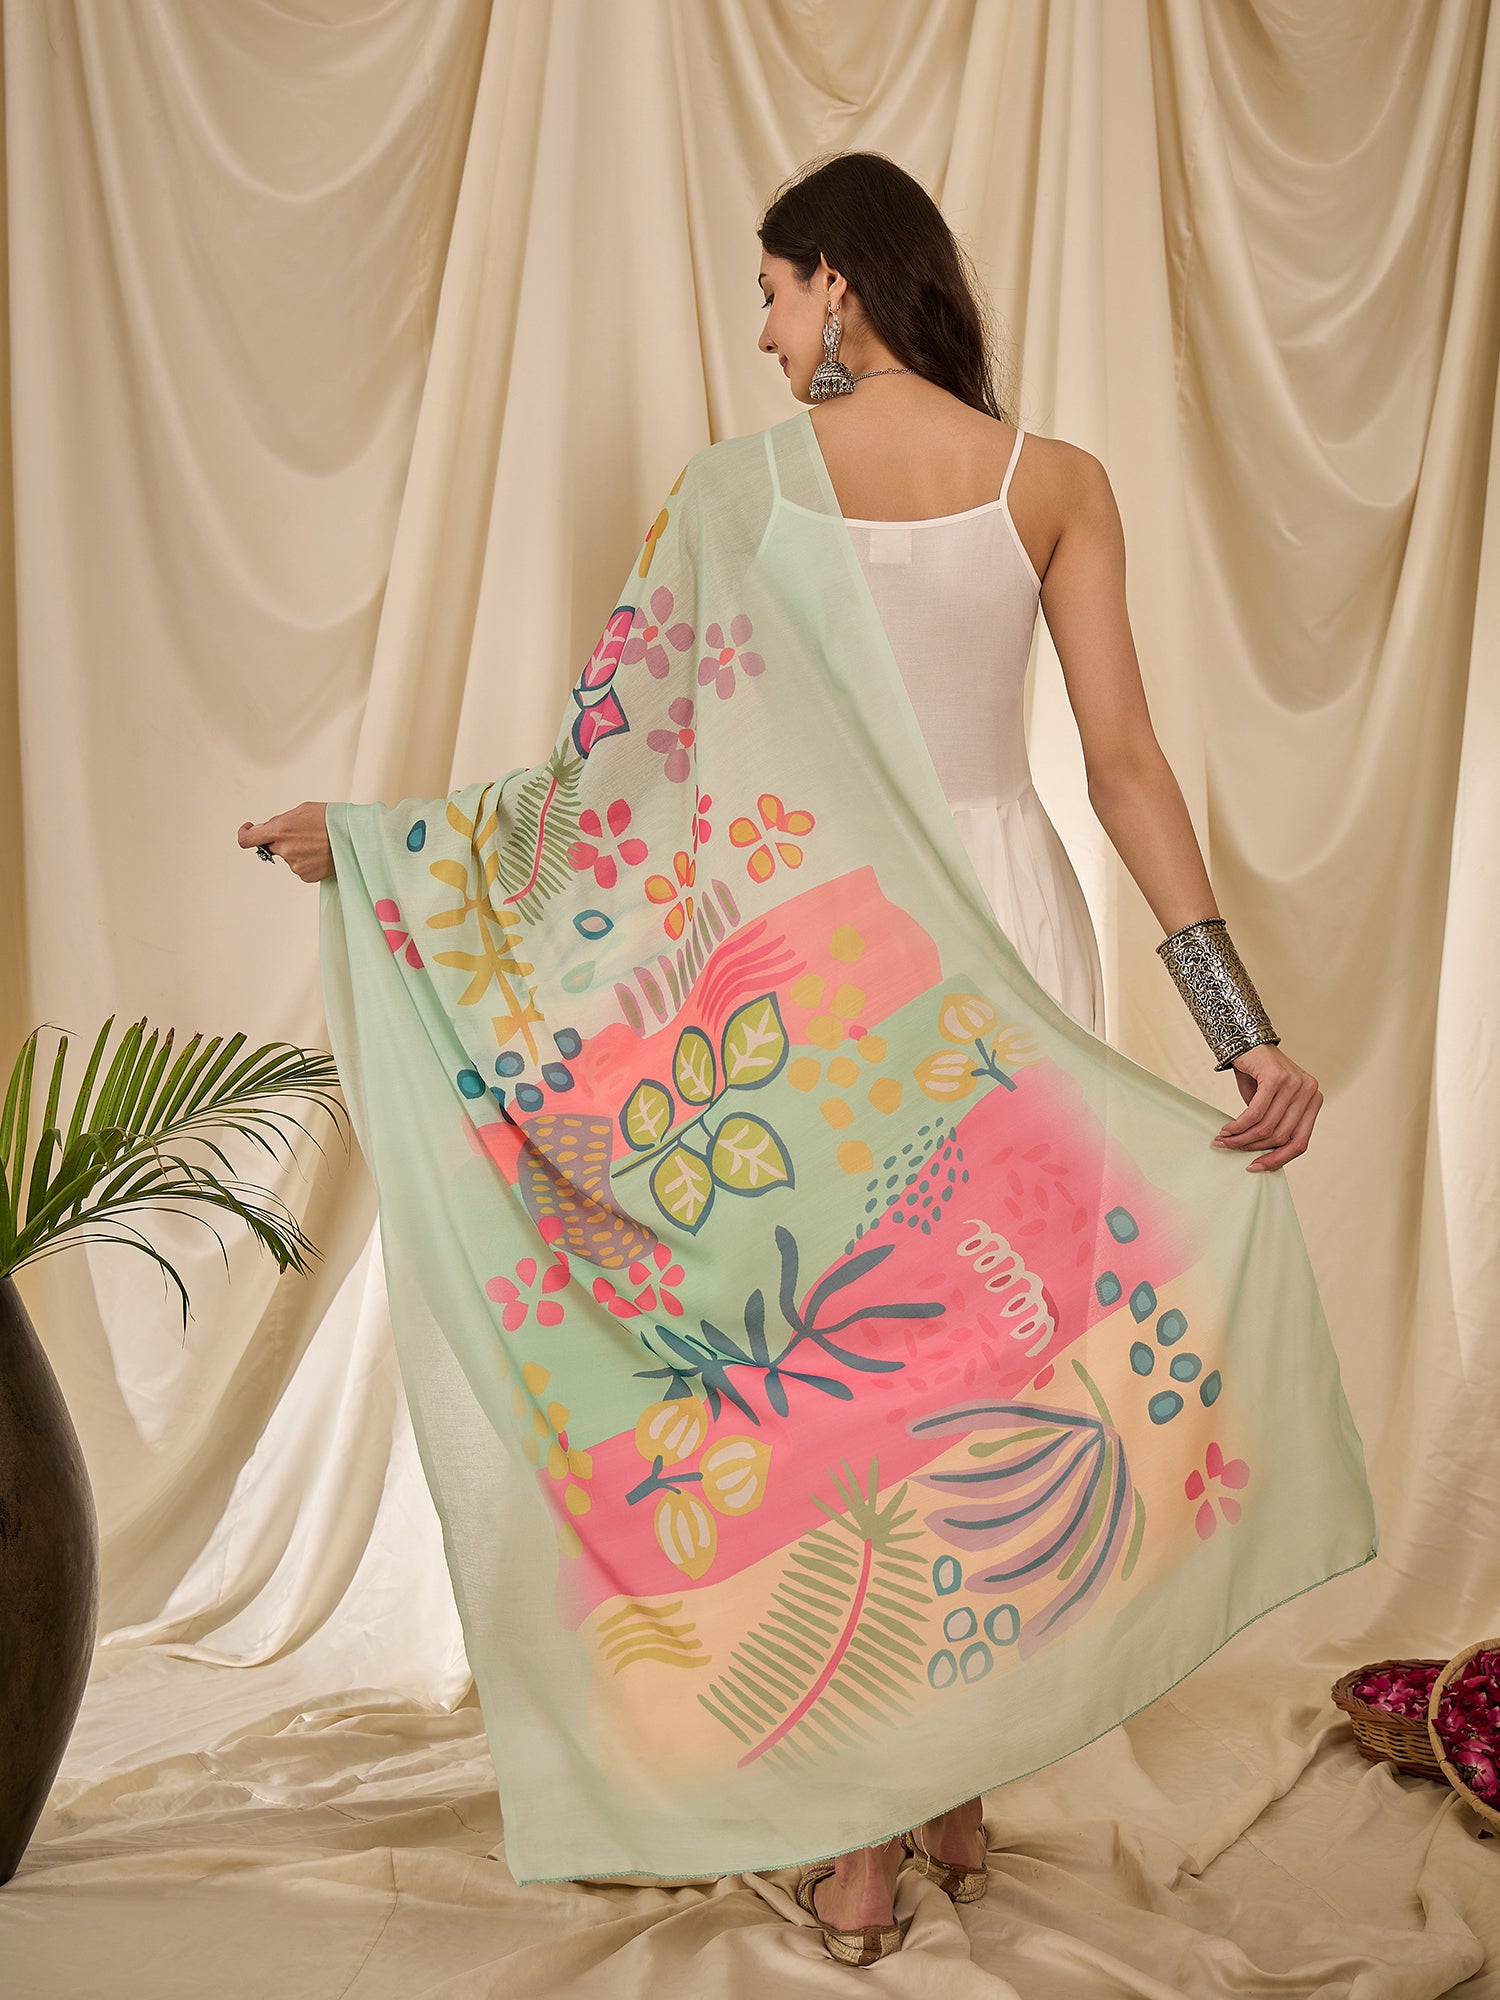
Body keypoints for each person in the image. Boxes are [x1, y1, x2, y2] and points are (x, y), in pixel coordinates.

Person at [240, 154, 1353, 1969]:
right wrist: (1243, 1030)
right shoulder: (1054, 480)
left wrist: (387, 853)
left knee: (856, 1390)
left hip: (834, 966)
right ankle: (952, 1792)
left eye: (770, 293)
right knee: (1000, 1363)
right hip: (1016, 934)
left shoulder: (736, 494)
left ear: (837, 279)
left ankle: (863, 1839)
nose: (762, 336)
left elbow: (607, 786)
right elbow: (1125, 766)